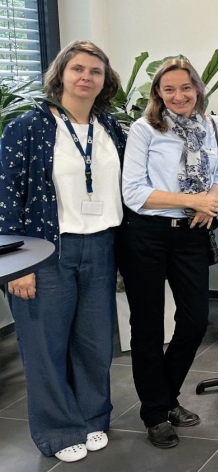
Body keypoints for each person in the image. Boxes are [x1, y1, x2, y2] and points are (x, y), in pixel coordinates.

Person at [0, 40, 126, 463]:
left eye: (95, 70)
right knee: (45, 344)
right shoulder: (28, 126)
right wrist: (14, 265)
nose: (86, 76)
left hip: (102, 245)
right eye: (78, 69)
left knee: (93, 343)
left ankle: (92, 417)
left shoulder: (111, 129)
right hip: (46, 252)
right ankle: (57, 429)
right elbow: (5, 196)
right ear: (61, 75)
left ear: (105, 80)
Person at [121, 59, 218, 448]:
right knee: (148, 327)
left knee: (195, 322)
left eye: (185, 88)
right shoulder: (144, 128)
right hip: (146, 235)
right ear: (158, 94)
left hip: (191, 234)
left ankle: (166, 398)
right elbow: (133, 192)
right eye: (169, 90)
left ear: (198, 88)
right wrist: (193, 199)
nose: (178, 96)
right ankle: (156, 412)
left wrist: (208, 202)